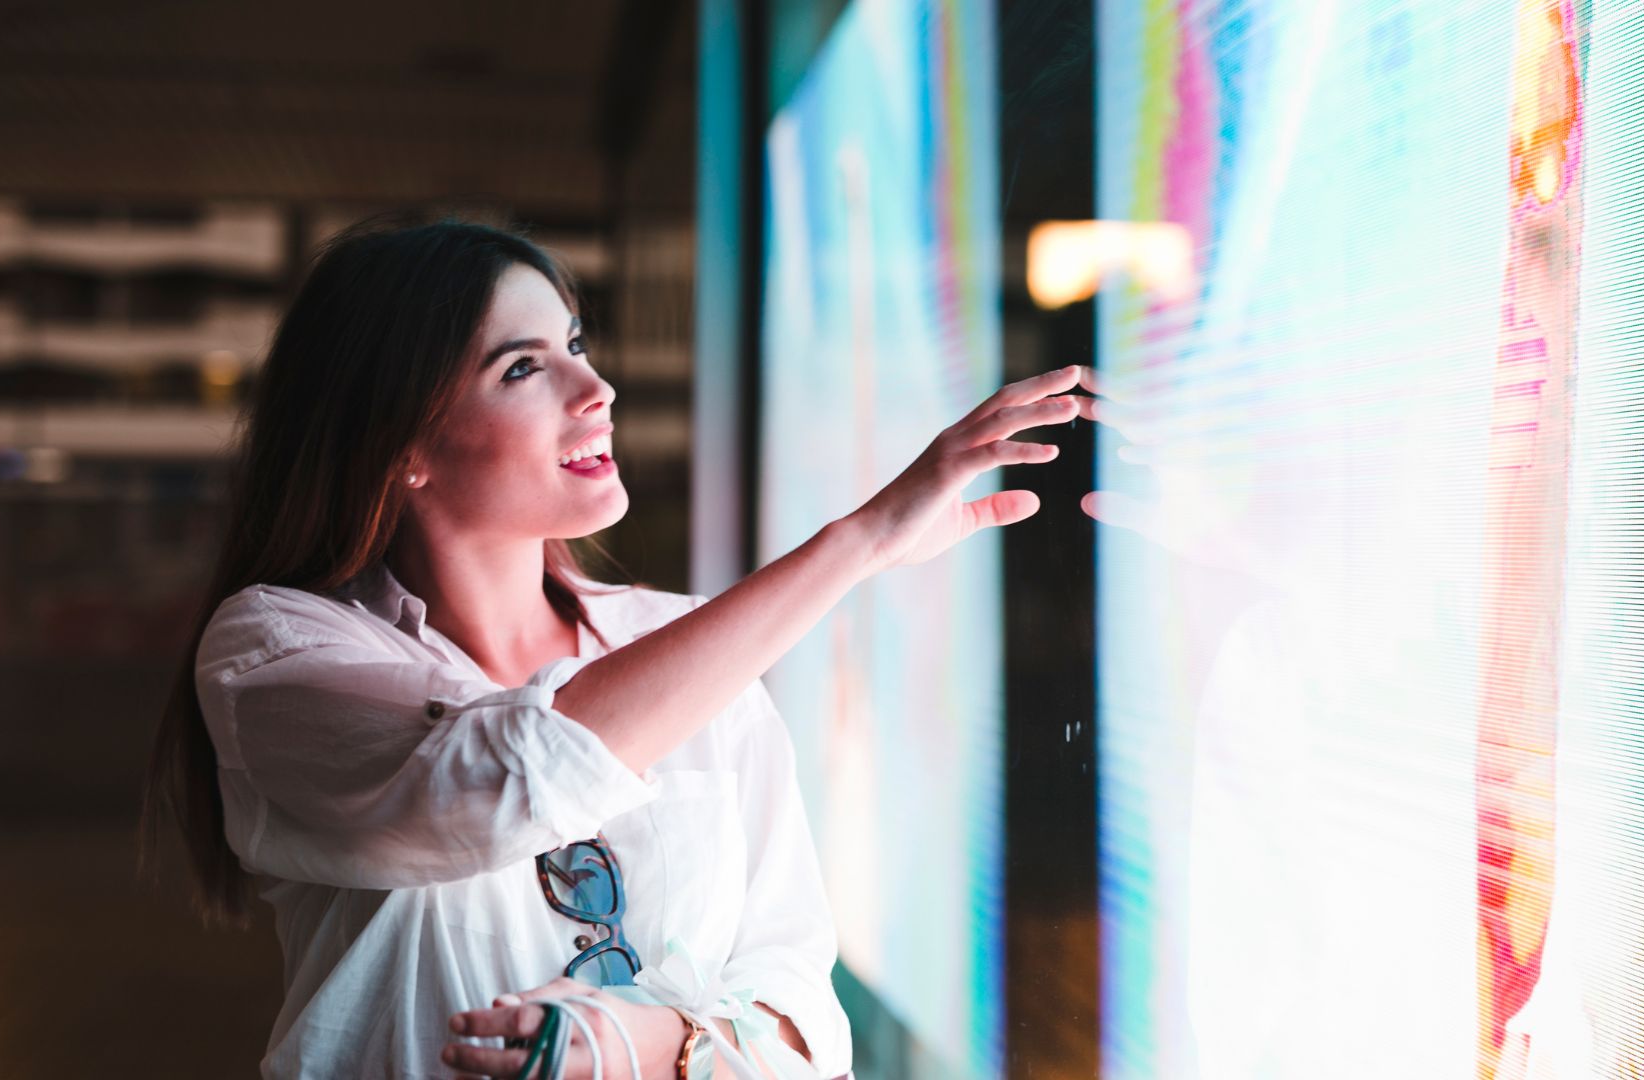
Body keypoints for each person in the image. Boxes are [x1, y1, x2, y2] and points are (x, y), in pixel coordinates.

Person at [141, 218, 1094, 1078]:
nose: (595, 391)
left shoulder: (682, 647)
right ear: (401, 448)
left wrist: (653, 1046)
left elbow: (803, 1012)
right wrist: (858, 543)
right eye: (523, 368)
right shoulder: (271, 652)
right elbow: (495, 780)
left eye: (577, 346)